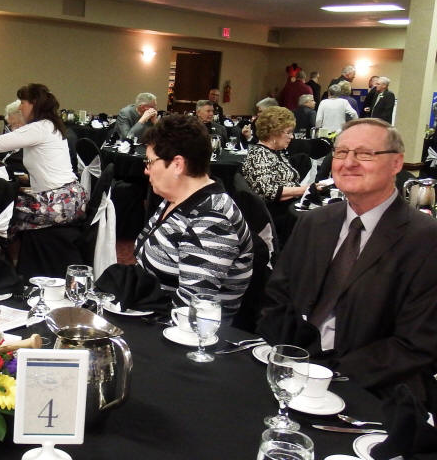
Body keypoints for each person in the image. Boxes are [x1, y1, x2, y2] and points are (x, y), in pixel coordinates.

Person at [257, 119, 437, 401]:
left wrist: (331, 376)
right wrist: (286, 357)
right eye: (341, 153)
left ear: (396, 163)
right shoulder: (314, 222)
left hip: (371, 389)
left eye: (365, 154)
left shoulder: (425, 239)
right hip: (291, 370)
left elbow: (417, 342)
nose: (348, 163)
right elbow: (279, 297)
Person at [135, 114, 252, 321]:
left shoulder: (213, 219)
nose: (146, 170)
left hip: (182, 333)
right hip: (152, 316)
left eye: (150, 162)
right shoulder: (175, 198)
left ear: (177, 165)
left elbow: (191, 311)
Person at [0, 83, 86, 233]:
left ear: (34, 103)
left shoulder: (40, 128)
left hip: (60, 201)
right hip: (68, 197)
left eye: (23, 103)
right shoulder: (49, 126)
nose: (20, 107)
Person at [240, 106, 307, 243]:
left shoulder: (275, 152)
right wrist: (305, 189)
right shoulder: (259, 154)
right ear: (274, 132)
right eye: (288, 132)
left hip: (285, 208)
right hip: (277, 216)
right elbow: (268, 191)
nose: (292, 137)